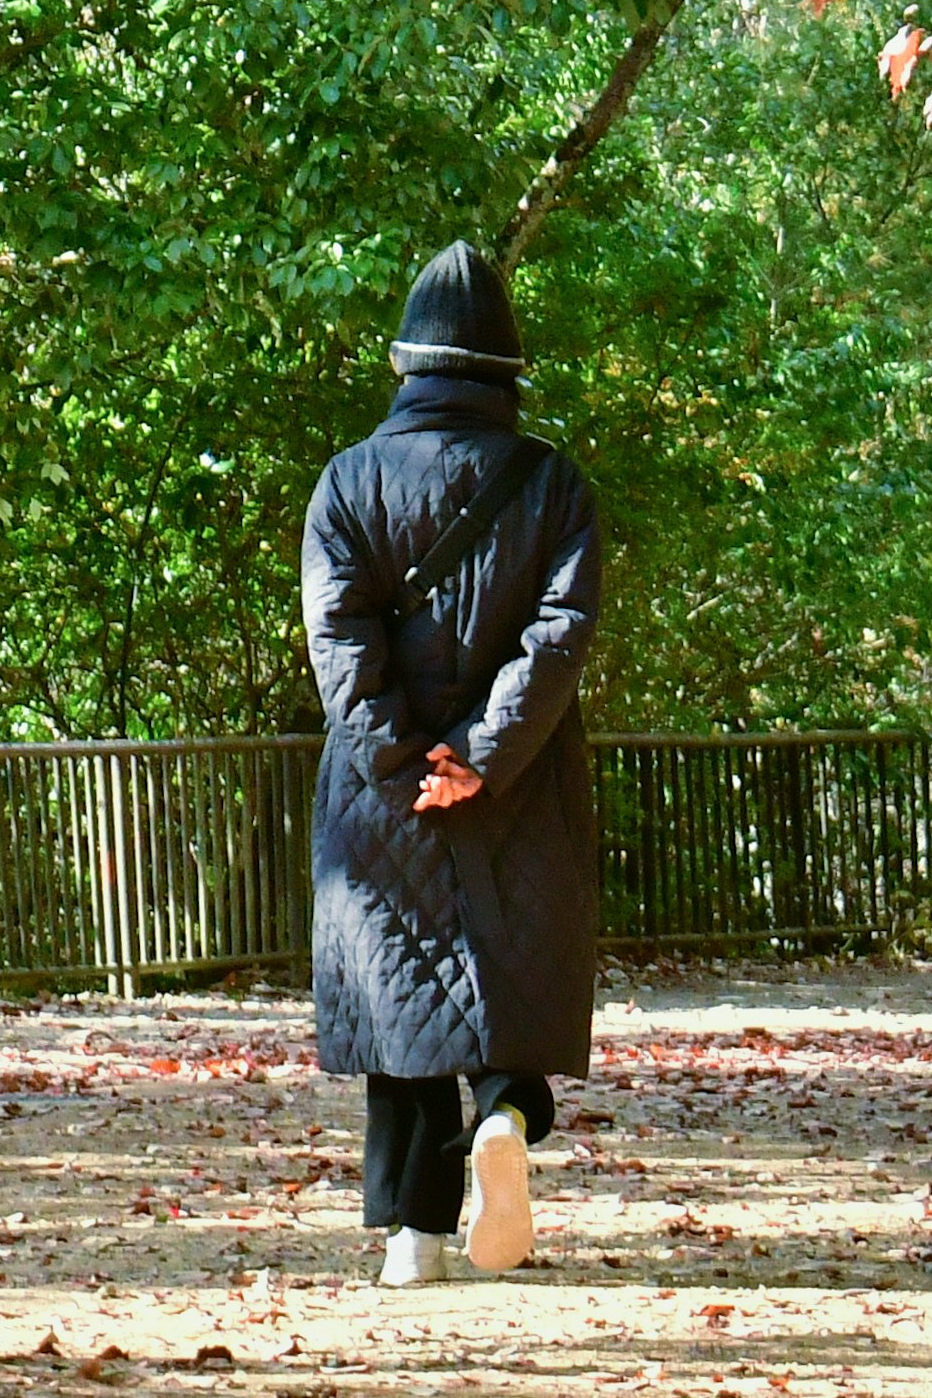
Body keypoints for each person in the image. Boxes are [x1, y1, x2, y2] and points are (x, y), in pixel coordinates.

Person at [300, 240, 603, 1287]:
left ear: (407, 366)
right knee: (508, 970)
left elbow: (340, 640)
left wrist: (399, 762)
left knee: (399, 999)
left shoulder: (346, 484)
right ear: (506, 376)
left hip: (382, 802)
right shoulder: (552, 485)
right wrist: (481, 756)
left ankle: (413, 1239)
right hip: (519, 786)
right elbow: (559, 632)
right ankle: (508, 1114)